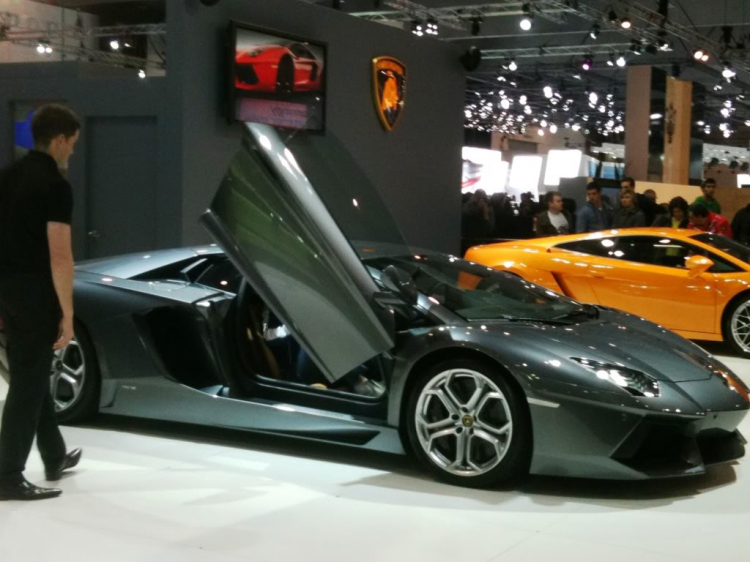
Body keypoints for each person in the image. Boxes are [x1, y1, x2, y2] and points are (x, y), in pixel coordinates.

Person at [0, 104, 83, 501]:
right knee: (28, 383)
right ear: (61, 139)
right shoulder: (54, 185)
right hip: (37, 294)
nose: (73, 152)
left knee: (29, 374)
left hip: (9, 291)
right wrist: (67, 312)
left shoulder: (8, 177)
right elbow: (60, 255)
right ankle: (7, 475)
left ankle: (54, 455)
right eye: (73, 144)